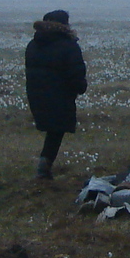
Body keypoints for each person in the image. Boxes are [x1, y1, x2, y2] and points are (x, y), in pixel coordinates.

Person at [23, 9, 87, 179]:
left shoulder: (33, 44)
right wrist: (80, 87)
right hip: (60, 95)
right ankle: (43, 169)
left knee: (54, 130)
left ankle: (44, 167)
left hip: (37, 95)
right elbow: (76, 72)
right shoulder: (68, 45)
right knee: (56, 131)